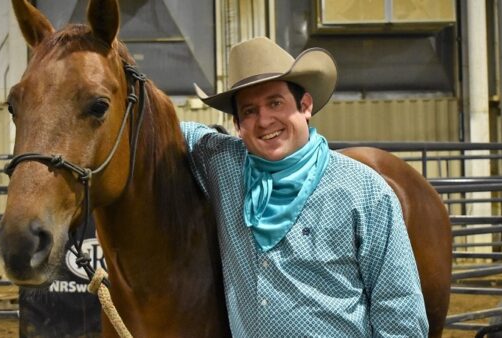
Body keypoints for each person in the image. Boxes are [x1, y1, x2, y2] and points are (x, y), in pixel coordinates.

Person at [180, 36, 428, 337]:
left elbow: (399, 308)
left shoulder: (364, 192)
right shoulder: (223, 167)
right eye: (249, 111)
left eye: (275, 103)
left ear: (305, 105)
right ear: (237, 125)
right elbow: (159, 128)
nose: (264, 120)